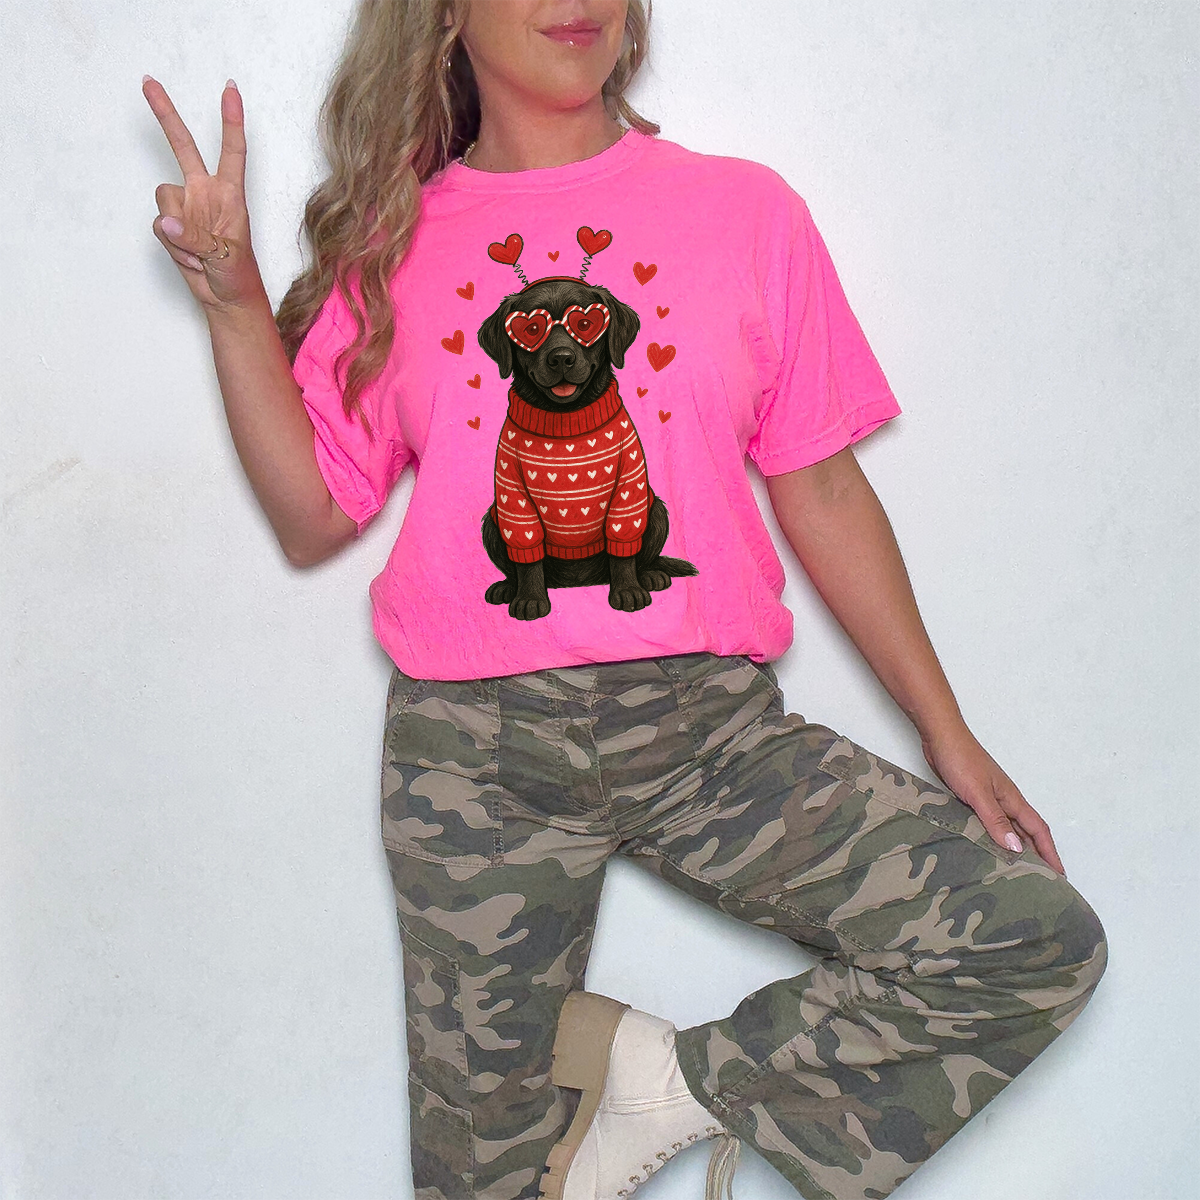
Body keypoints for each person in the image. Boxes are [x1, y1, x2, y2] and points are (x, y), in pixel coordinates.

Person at [142, 3, 1108, 1199]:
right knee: (479, 1177)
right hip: (474, 762)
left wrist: (944, 728)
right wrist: (235, 300)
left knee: (1029, 937)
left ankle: (674, 1082)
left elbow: (821, 488)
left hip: (708, 736)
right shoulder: (390, 247)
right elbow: (310, 517)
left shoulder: (747, 212)